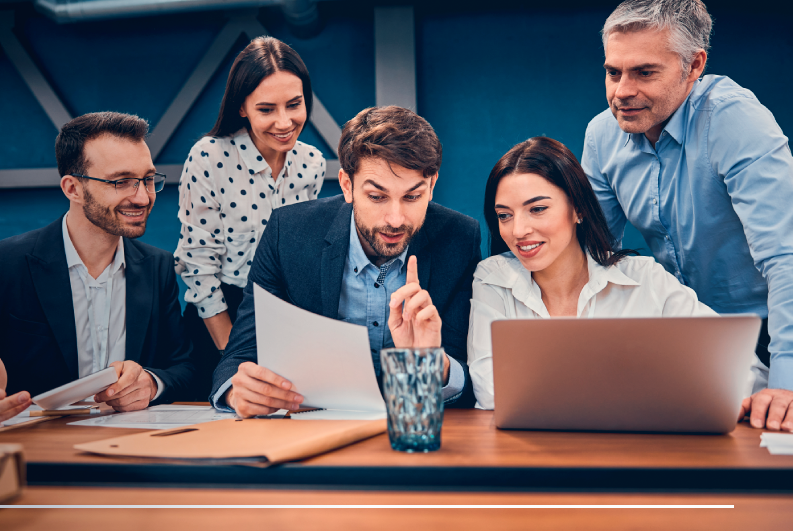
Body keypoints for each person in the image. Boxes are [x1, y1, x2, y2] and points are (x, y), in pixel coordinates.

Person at [0, 112, 194, 424]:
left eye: (147, 179)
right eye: (122, 181)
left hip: (126, 452)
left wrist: (152, 383)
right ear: (72, 188)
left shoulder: (157, 267)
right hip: (29, 454)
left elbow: (184, 367)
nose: (143, 196)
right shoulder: (2, 266)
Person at [581, 0, 793, 431]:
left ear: (693, 66)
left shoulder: (735, 121)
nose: (621, 91)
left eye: (644, 72)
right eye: (613, 72)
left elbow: (785, 257)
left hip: (771, 330)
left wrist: (788, 381)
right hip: (682, 333)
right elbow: (589, 257)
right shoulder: (602, 135)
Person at [468, 137, 769, 419]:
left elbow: (743, 371)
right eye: (504, 215)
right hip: (531, 458)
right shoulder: (493, 279)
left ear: (578, 209)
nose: (518, 230)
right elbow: (492, 392)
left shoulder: (645, 280)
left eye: (537, 209)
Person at [210, 105, 482, 417]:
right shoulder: (289, 233)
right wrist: (237, 389)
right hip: (310, 431)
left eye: (412, 197)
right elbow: (239, 354)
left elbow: (469, 376)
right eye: (377, 197)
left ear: (431, 186)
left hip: (412, 428)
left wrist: (436, 363)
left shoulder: (459, 239)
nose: (395, 219)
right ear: (346, 185)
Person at [174, 36, 324, 399]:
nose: (284, 121)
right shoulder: (209, 156)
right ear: (242, 107)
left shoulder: (312, 163)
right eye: (267, 109)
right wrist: (232, 354)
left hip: (283, 319)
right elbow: (197, 264)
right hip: (220, 315)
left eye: (294, 104)